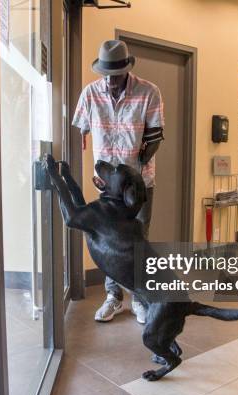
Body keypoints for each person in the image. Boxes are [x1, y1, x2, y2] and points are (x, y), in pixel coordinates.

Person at [72, 39, 164, 324]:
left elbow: (155, 137)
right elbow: (80, 132)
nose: (111, 81)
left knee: (138, 241)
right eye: (106, 75)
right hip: (107, 188)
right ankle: (113, 297)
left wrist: (134, 170)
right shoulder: (90, 94)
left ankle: (139, 298)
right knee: (110, 241)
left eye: (116, 75)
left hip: (139, 185)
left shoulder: (149, 92)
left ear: (126, 69)